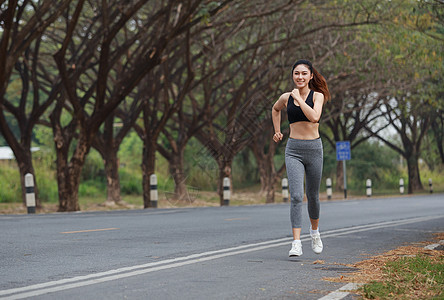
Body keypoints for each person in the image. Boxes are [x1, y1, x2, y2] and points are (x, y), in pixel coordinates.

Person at [271, 59, 331, 257]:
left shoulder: (318, 96)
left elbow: (314, 117)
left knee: (313, 195)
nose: (300, 77)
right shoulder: (286, 97)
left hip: (314, 149)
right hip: (293, 150)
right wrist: (277, 130)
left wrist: (299, 99)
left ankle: (314, 233)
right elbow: (275, 109)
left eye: (304, 73)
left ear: (311, 76)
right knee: (296, 196)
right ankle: (296, 242)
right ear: (292, 76)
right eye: (296, 73)